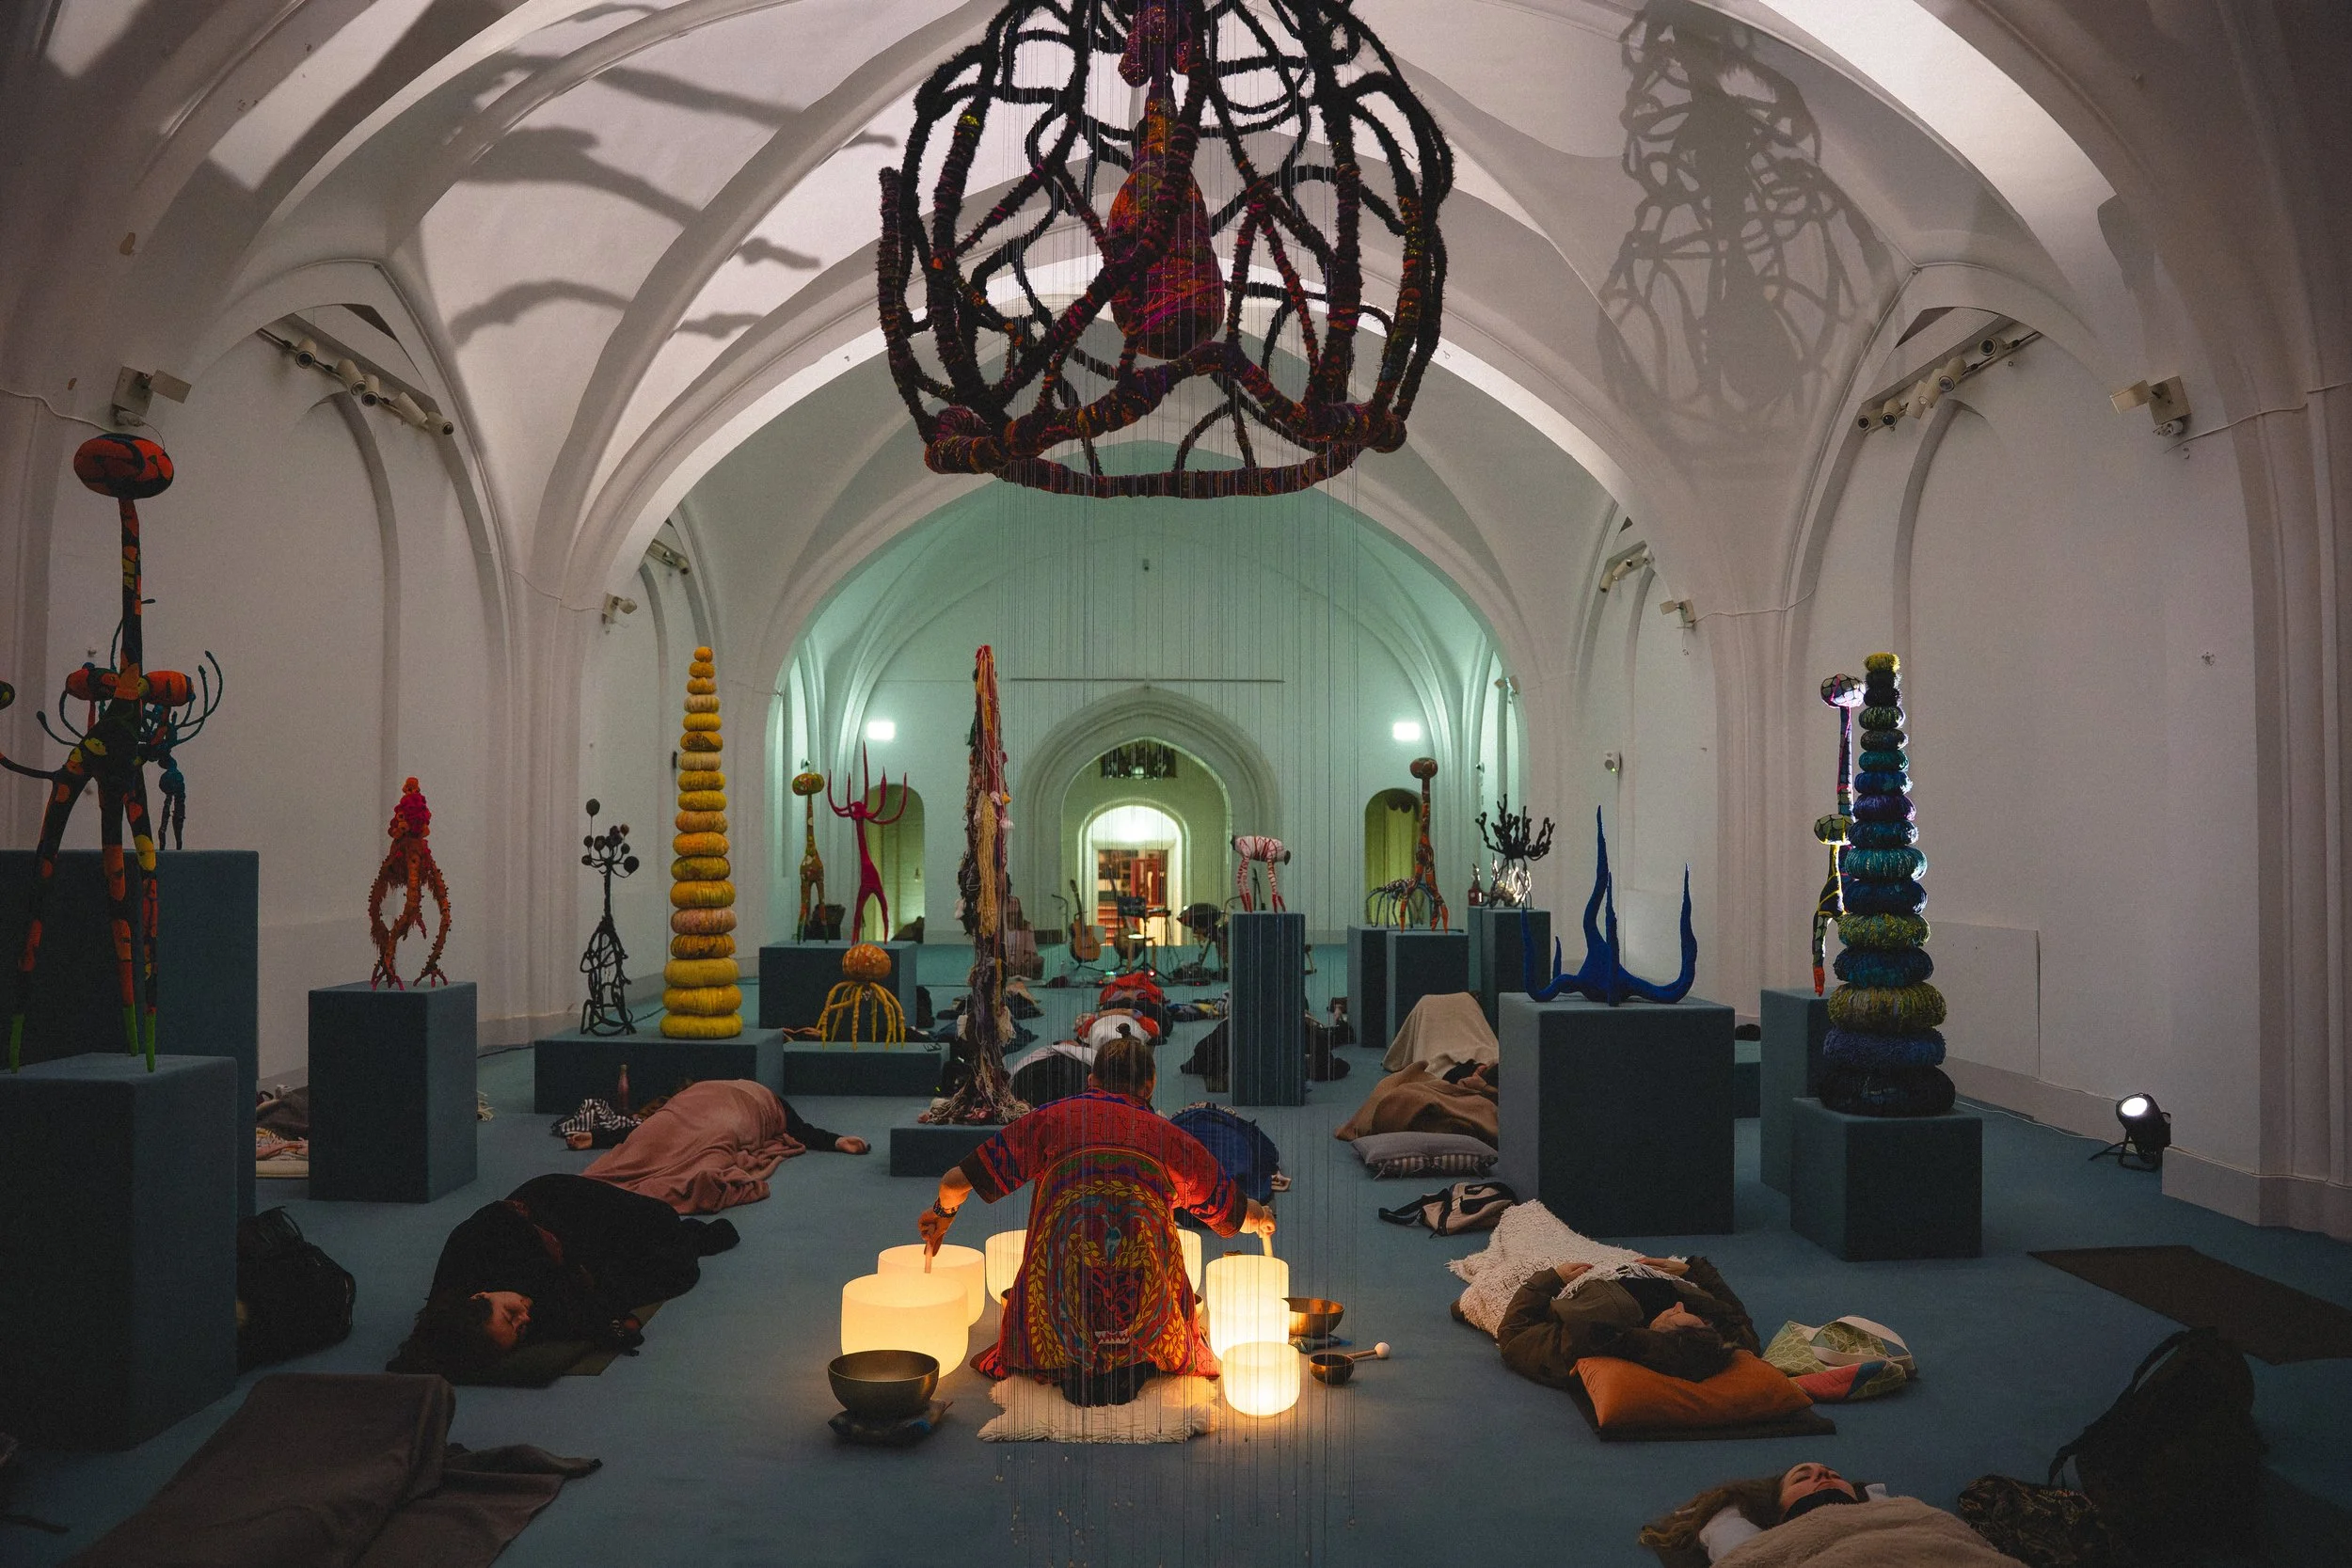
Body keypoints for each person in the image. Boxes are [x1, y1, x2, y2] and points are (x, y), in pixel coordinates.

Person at [917, 1035, 1277, 1406]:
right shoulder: (1172, 1140)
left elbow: (955, 1182)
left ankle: (1066, 1356)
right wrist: (1261, 1218)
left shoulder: (1050, 1120)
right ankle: (1138, 1356)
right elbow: (1231, 1212)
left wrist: (941, 1216)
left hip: (1056, 1319)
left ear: (1092, 1080)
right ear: (1149, 1085)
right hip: (1146, 1322)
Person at [389, 1172, 739, 1378]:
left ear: (479, 1296)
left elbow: (575, 1301)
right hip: (572, 1252)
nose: (525, 1317)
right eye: (520, 1329)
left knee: (662, 1223)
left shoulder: (476, 1248)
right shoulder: (468, 1321)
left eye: (510, 1315)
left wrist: (602, 1319)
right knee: (664, 1274)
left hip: (559, 1204)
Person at [1641, 1463, 2024, 1565]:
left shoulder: (1904, 1513)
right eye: (1802, 1478)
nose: (1823, 1475)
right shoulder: (1777, 1540)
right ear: (1778, 1512)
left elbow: (1947, 1539)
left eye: (1832, 1474)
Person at [581, 1079, 866, 1212]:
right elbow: (801, 1130)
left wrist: (836, 1141)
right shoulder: (701, 1091)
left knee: (706, 1139)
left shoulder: (769, 1101)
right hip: (700, 1108)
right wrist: (596, 1137)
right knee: (661, 1130)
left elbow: (800, 1129)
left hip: (734, 1113)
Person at [1497, 1254, 1761, 1386]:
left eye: (1676, 1315)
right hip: (1640, 1267)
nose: (1678, 1306)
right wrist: (1693, 1271)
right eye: (1702, 1320)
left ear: (1660, 1335)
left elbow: (1514, 1336)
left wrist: (1550, 1278)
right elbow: (1736, 1320)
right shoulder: (1714, 1346)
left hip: (1581, 1274)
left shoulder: (1596, 1339)